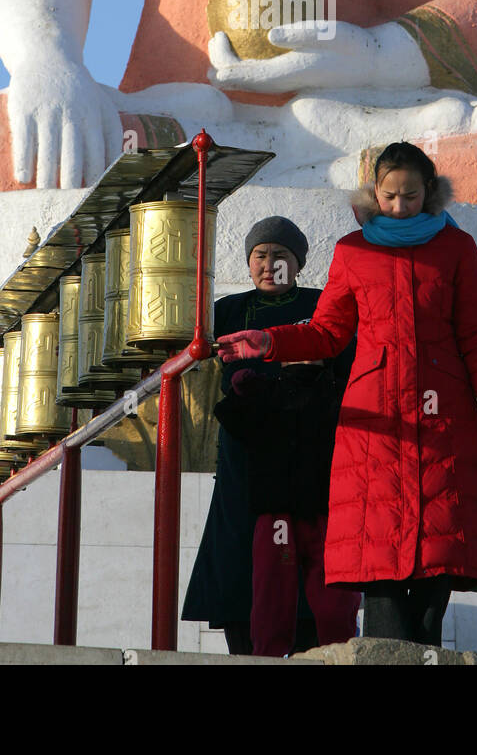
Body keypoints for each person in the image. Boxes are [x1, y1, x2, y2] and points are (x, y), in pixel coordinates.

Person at [218, 141, 477, 647]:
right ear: (374, 193)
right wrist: (271, 341)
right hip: (374, 427)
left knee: (434, 578)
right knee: (378, 569)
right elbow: (327, 333)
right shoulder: (352, 251)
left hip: (443, 428)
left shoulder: (456, 250)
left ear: (431, 193)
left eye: (412, 196)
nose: (401, 207)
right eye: (391, 196)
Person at [181, 215, 354, 655]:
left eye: (280, 255)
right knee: (242, 565)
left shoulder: (323, 306)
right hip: (246, 460)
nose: (269, 264)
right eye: (261, 255)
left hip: (312, 457)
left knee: (311, 565)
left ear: (297, 263)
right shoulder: (228, 311)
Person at [215, 357, 361, 657]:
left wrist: (242, 391)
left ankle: (334, 654)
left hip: (314, 511)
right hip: (300, 511)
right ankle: (333, 655)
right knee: (280, 598)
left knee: (321, 601)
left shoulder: (333, 389)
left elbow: (229, 415)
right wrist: (243, 392)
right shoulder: (329, 389)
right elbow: (229, 415)